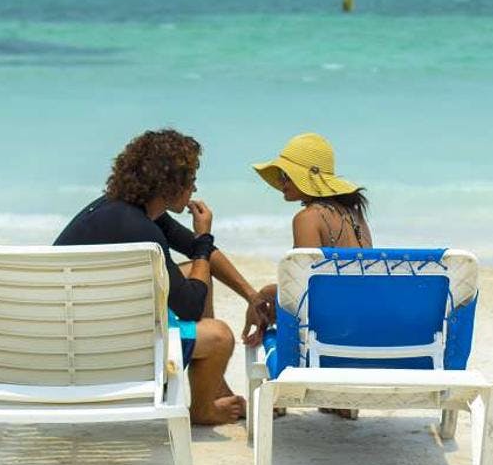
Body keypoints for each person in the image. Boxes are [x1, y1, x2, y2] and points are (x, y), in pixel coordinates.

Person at [54, 129, 266, 426]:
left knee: (196, 271)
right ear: (170, 185)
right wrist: (204, 236)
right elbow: (190, 306)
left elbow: (197, 250)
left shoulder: (121, 210)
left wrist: (251, 295)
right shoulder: (143, 232)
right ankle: (202, 409)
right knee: (220, 336)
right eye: (191, 180)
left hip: (69, 335)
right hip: (109, 349)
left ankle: (214, 383)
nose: (194, 188)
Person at [246, 133, 372, 417]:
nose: (281, 182)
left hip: (325, 335)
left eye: (285, 175)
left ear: (307, 177)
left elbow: (304, 290)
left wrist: (262, 295)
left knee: (274, 320)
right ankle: (337, 398)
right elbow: (352, 284)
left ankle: (281, 396)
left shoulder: (308, 218)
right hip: (359, 333)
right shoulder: (355, 215)